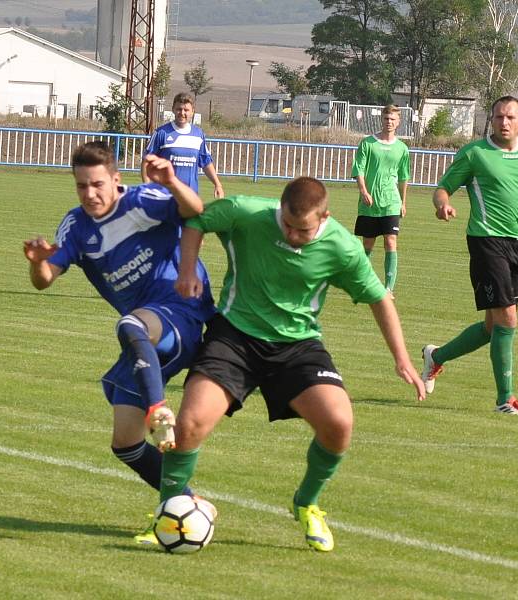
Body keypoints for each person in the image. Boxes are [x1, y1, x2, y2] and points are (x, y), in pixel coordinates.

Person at [164, 176, 426, 552]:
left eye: (301, 229)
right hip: (235, 336)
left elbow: (380, 298)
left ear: (324, 217)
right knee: (188, 425)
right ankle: (166, 510)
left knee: (339, 423)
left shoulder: (343, 248)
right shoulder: (247, 213)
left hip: (297, 347)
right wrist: (187, 270)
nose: (291, 234)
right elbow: (197, 220)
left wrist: (402, 359)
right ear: (280, 209)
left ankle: (307, 503)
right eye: (286, 223)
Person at [22, 141, 217, 543]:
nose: (89, 194)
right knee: (126, 443)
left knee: (131, 324)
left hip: (180, 310)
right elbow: (45, 282)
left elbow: (196, 211)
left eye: (96, 184)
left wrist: (172, 181)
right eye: (81, 186)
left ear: (115, 179)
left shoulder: (145, 200)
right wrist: (38, 262)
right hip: (143, 338)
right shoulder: (75, 227)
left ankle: (159, 409)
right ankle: (189, 506)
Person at [421, 96, 518, 416]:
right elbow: (443, 188)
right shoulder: (475, 153)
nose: (504, 122)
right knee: (508, 319)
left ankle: (436, 357)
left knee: (491, 327)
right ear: (492, 120)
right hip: (485, 242)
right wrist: (442, 204)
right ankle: (505, 400)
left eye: (511, 117)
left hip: (514, 244)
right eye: (499, 117)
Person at [351, 104, 410, 296]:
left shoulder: (402, 148)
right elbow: (358, 169)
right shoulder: (368, 143)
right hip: (370, 203)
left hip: (391, 203)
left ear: (398, 122)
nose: (389, 122)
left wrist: (403, 202)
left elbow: (403, 177)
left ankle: (388, 288)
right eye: (386, 118)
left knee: (391, 242)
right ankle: (363, 283)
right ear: (381, 119)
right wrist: (363, 191)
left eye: (393, 119)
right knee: (367, 245)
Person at [141, 91, 225, 199]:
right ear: (173, 110)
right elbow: (146, 162)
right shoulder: (161, 133)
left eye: (186, 110)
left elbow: (206, 162)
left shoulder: (198, 134)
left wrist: (217, 184)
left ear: (192, 112)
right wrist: (148, 188)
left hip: (190, 197)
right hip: (165, 197)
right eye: (179, 109)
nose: (182, 113)